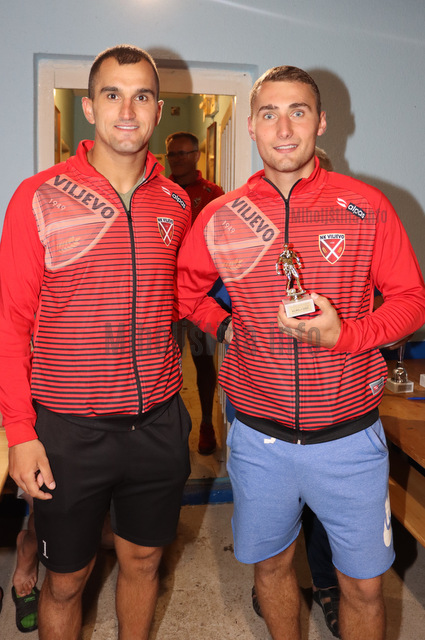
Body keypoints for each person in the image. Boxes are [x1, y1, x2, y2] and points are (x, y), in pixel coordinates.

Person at [176, 65, 425, 640]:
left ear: (322, 122)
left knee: (365, 586)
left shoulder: (366, 206)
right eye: (269, 114)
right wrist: (227, 326)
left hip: (349, 439)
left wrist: (348, 335)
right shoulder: (221, 216)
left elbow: (412, 301)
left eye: (298, 112)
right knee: (271, 567)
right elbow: (185, 291)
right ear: (251, 127)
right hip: (259, 438)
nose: (283, 128)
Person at [0, 44, 192, 640]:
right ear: (89, 107)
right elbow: (10, 322)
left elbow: (181, 297)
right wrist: (20, 433)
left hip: (158, 422)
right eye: (112, 95)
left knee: (145, 562)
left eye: (141, 96)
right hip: (69, 429)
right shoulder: (39, 196)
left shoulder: (177, 202)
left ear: (158, 109)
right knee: (67, 580)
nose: (127, 111)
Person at [166, 131, 224, 455]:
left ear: (197, 155)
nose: (177, 160)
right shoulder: (159, 191)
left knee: (203, 362)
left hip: (203, 296)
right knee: (166, 364)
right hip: (166, 297)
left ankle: (206, 424)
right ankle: (172, 429)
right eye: (172, 154)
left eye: (183, 153)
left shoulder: (213, 194)